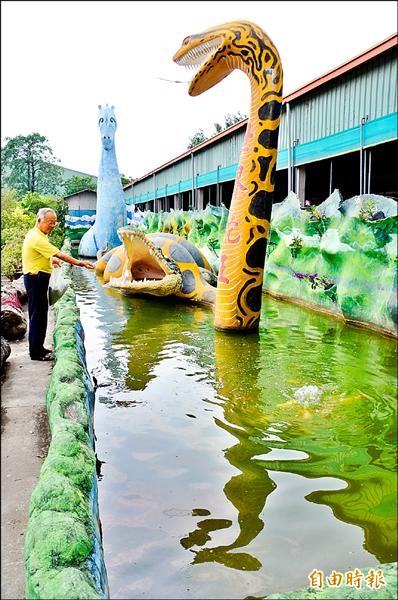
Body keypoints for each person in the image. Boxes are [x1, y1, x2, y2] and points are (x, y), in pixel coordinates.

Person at [22, 207, 95, 361]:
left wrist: (51, 260)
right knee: (37, 316)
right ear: (39, 220)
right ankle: (36, 352)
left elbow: (42, 254)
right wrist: (79, 263)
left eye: (54, 223)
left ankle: (38, 347)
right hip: (35, 280)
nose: (52, 226)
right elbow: (60, 254)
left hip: (37, 278)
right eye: (50, 222)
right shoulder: (37, 238)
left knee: (40, 315)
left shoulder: (38, 234)